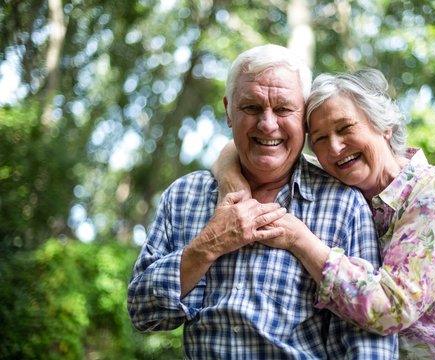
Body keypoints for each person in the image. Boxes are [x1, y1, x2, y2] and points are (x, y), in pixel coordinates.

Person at [213, 69, 435, 359]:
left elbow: (390, 308)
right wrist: (231, 180)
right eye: (320, 138)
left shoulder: (432, 192)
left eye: (346, 127)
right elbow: (250, 149)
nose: (335, 148)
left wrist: (300, 240)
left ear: (384, 127)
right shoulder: (341, 190)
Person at [127, 45, 397, 359]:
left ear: (304, 118)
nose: (267, 124)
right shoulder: (184, 196)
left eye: (283, 109)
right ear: (229, 111)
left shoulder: (343, 205)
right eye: (252, 107)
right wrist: (208, 246)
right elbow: (142, 313)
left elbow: (368, 346)